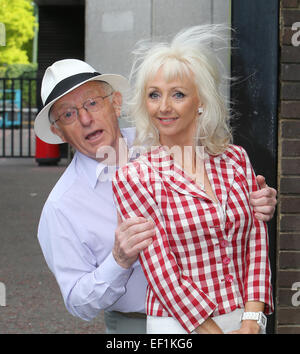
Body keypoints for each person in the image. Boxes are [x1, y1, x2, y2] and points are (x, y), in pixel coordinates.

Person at [35, 57, 276, 334]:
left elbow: (227, 208)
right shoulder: (61, 207)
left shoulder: (164, 134)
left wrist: (252, 205)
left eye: (92, 102)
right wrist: (118, 261)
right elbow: (79, 303)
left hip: (227, 313)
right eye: (68, 114)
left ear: (115, 102)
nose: (86, 119)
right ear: (57, 131)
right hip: (138, 325)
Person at [112, 25, 274, 334]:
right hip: (178, 325)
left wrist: (253, 320)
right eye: (154, 95)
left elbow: (256, 241)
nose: (164, 107)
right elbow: (161, 272)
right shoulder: (133, 178)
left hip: (246, 319)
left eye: (178, 94)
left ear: (200, 101)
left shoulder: (235, 159)